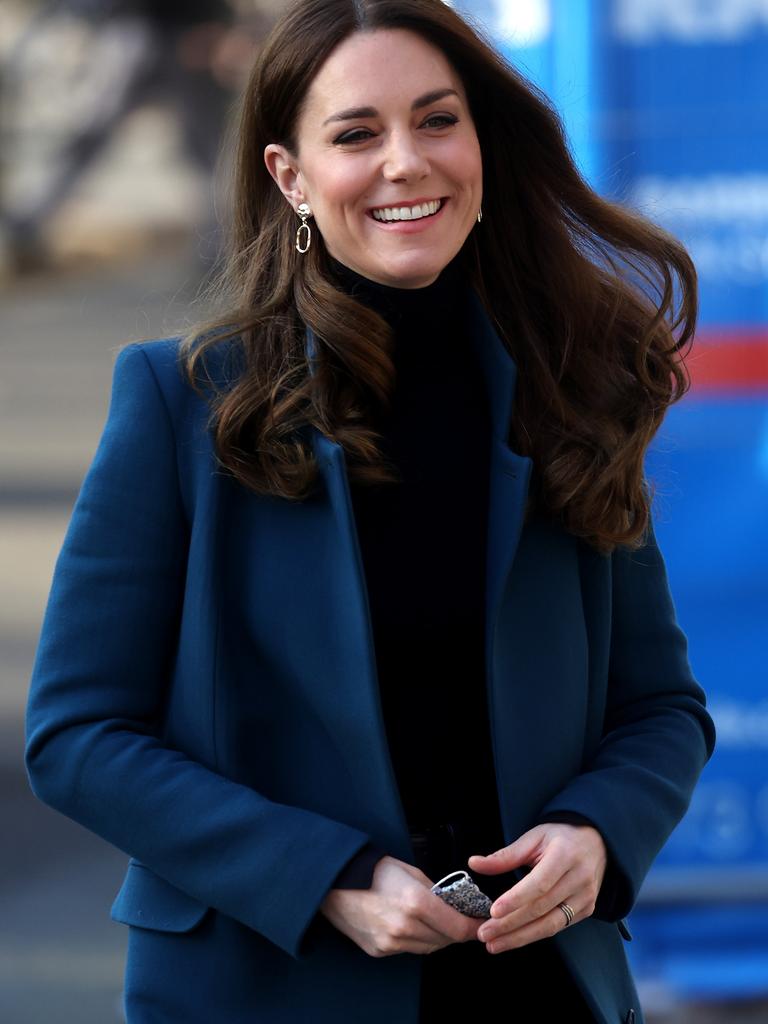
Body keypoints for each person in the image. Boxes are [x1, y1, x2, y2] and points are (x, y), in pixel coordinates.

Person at [24, 1, 716, 1022]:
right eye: (357, 134)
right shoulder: (186, 403)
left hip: (538, 987)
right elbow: (78, 734)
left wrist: (596, 830)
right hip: (268, 985)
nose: (406, 162)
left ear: (482, 143)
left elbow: (661, 708)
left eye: (439, 121)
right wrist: (328, 875)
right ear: (290, 178)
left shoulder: (571, 390)